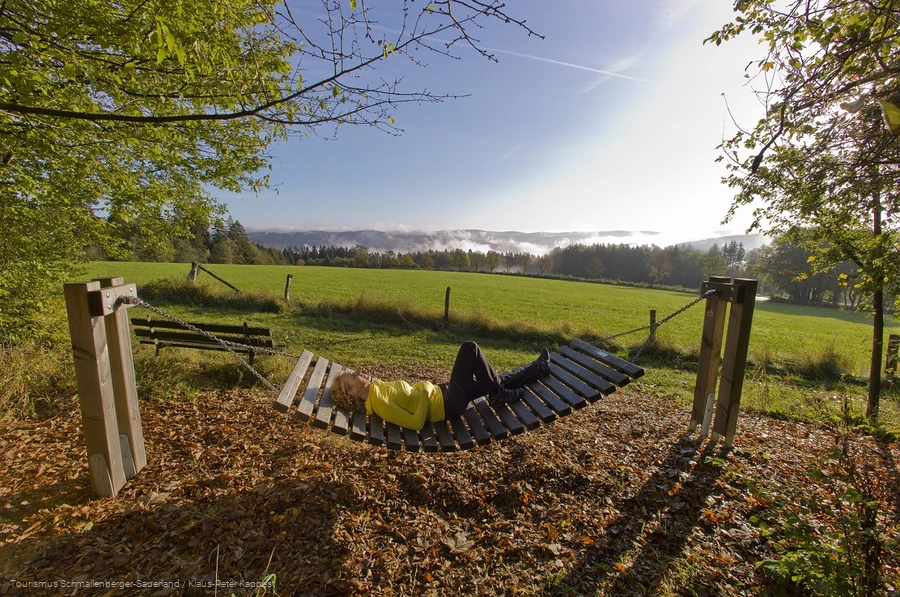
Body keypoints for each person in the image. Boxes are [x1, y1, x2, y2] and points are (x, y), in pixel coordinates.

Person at [330, 341, 551, 431]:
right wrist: (425, 391)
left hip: (445, 393)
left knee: (494, 379)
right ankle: (497, 394)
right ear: (353, 391)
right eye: (354, 376)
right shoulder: (381, 404)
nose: (359, 371)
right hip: (448, 403)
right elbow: (416, 423)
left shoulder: (376, 389)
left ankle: (538, 368)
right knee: (469, 348)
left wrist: (425, 390)